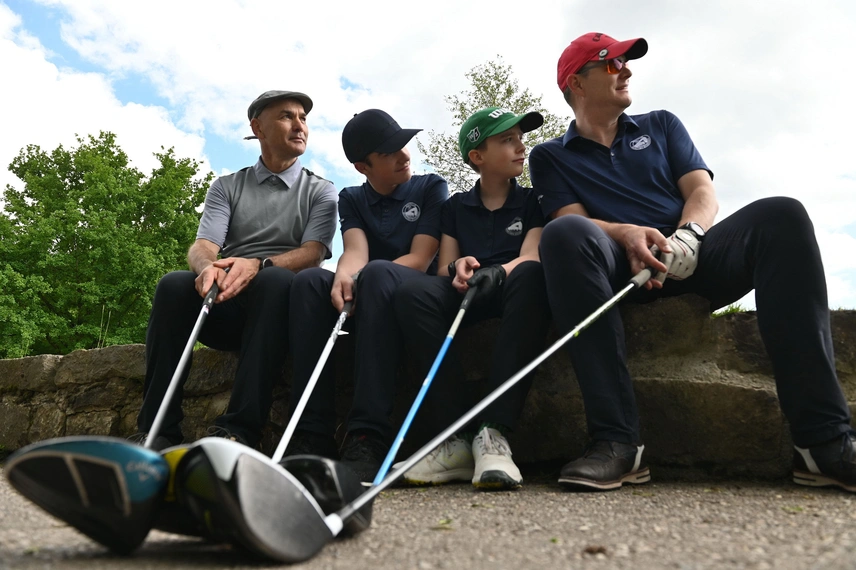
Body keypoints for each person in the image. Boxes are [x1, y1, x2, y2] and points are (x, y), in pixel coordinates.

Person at [530, 32, 856, 493]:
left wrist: (689, 234)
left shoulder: (662, 124)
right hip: (619, 269)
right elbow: (571, 218)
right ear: (576, 84)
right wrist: (626, 233)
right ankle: (617, 442)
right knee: (563, 234)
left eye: (626, 62)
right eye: (611, 64)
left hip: (692, 256)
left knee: (782, 215)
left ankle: (823, 442)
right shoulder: (549, 156)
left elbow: (702, 191)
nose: (626, 70)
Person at [134, 90, 338, 451]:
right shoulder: (227, 186)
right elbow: (203, 245)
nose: (299, 126)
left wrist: (258, 265)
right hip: (227, 303)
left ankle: (238, 430)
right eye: (287, 116)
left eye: (303, 118)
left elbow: (313, 253)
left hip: (280, 314)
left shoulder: (321, 191)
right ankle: (156, 431)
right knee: (173, 285)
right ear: (258, 128)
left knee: (275, 280)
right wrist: (206, 268)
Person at [285, 109, 448, 483]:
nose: (404, 155)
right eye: (389, 152)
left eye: (404, 144)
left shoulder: (430, 187)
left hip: (411, 295)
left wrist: (363, 276)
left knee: (375, 273)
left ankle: (367, 436)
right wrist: (344, 276)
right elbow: (355, 251)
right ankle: (312, 435)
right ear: (363, 167)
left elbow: (421, 258)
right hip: (369, 292)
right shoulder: (352, 197)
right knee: (309, 282)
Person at [393, 107, 552, 490]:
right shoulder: (455, 206)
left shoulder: (533, 201)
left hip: (515, 288)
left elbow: (532, 256)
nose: (521, 147)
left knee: (532, 275)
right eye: (508, 140)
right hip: (469, 292)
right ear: (477, 156)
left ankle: (494, 433)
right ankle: (457, 439)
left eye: (520, 138)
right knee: (412, 291)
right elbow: (444, 267)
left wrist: (499, 272)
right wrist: (458, 267)